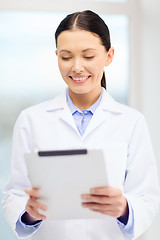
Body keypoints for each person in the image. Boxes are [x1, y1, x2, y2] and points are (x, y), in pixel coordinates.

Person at [2, 10, 160, 240]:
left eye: (88, 56)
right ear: (56, 56)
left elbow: (147, 198)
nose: (76, 67)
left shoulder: (131, 122)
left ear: (109, 55)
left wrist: (124, 209)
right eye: (66, 57)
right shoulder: (31, 120)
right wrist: (29, 214)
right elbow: (14, 194)